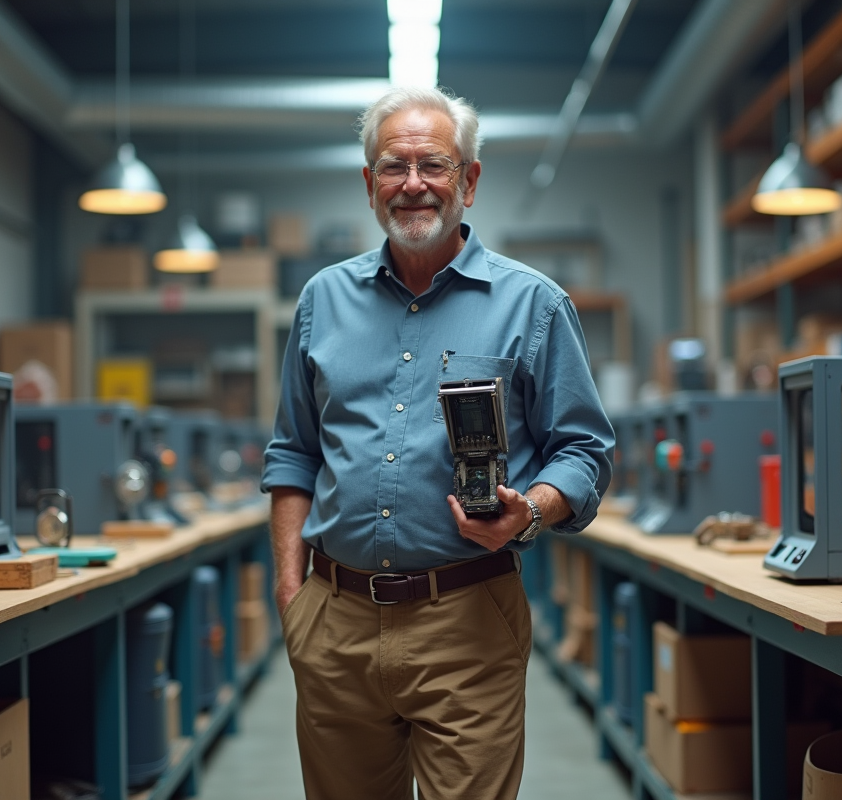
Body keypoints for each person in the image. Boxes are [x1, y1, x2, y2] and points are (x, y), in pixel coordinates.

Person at [262, 85, 614, 800]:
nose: (413, 184)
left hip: (468, 624)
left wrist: (533, 510)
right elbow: (294, 453)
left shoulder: (534, 305)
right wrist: (292, 593)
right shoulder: (321, 301)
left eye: (435, 165)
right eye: (394, 166)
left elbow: (584, 450)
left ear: (470, 180)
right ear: (368, 185)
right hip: (335, 623)